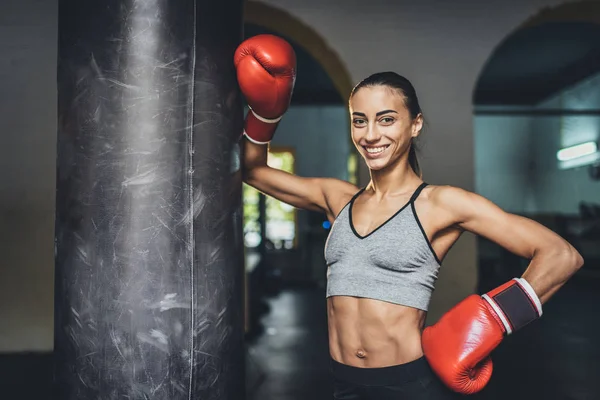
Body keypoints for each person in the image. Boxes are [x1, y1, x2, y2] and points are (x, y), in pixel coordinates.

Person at [234, 35, 584, 399]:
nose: (371, 135)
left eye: (386, 120)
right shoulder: (338, 198)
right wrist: (265, 114)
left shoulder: (440, 203)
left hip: (407, 385)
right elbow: (253, 170)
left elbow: (561, 255)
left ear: (415, 124)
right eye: (359, 121)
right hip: (342, 383)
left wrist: (494, 317)